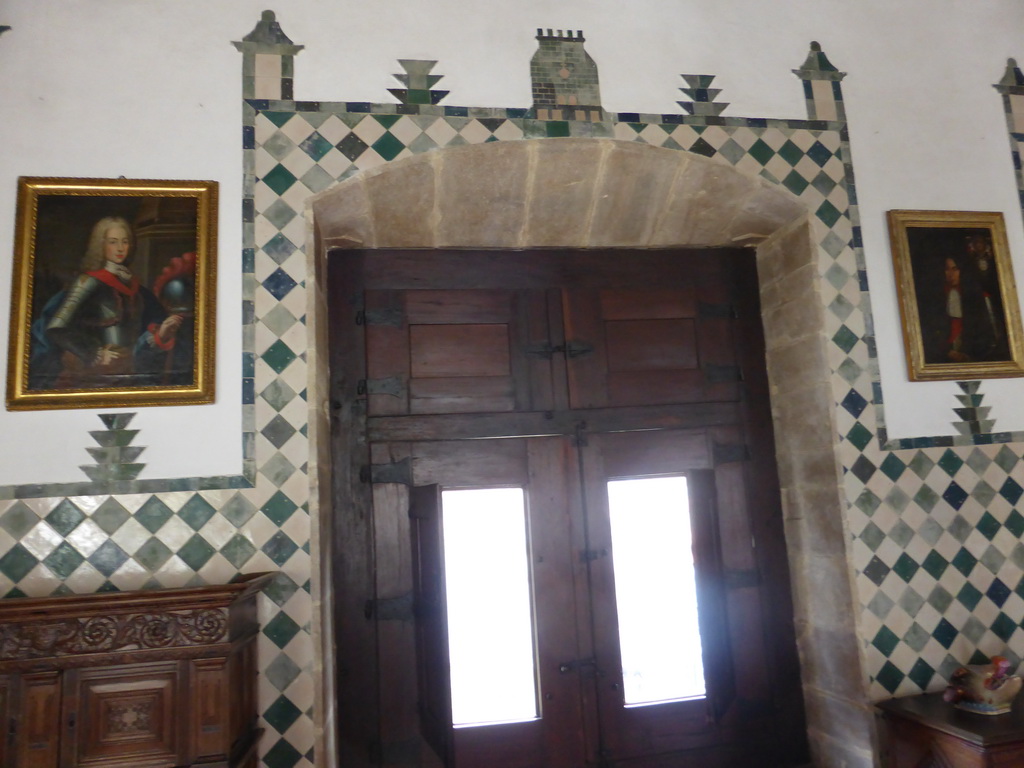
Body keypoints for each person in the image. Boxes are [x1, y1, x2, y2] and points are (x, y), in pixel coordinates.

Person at [28, 216, 183, 390]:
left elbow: (149, 324)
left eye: (125, 242)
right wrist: (94, 352)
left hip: (128, 370)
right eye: (113, 242)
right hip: (93, 373)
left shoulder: (135, 286)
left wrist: (161, 332)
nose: (120, 248)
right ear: (101, 245)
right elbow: (56, 328)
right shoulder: (87, 283)